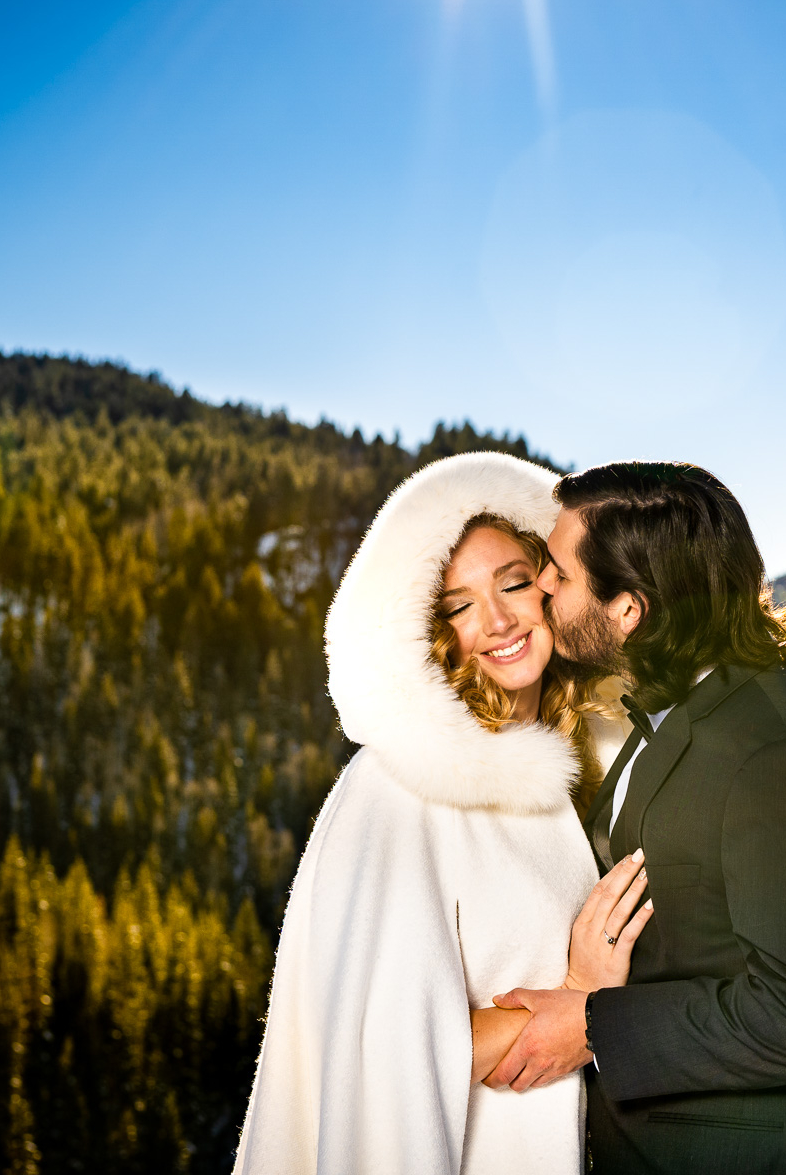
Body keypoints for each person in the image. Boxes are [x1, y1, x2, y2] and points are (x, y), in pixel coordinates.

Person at [233, 452, 654, 1174]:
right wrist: (579, 1005)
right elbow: (379, 1051)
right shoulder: (399, 790)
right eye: (458, 605)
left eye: (513, 584)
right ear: (431, 634)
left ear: (552, 586)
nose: (495, 620)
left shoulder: (569, 775)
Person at [486, 461, 786, 1174]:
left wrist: (593, 1026)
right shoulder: (685, 706)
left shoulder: (779, 754)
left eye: (558, 573)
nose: (542, 589)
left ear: (630, 610)